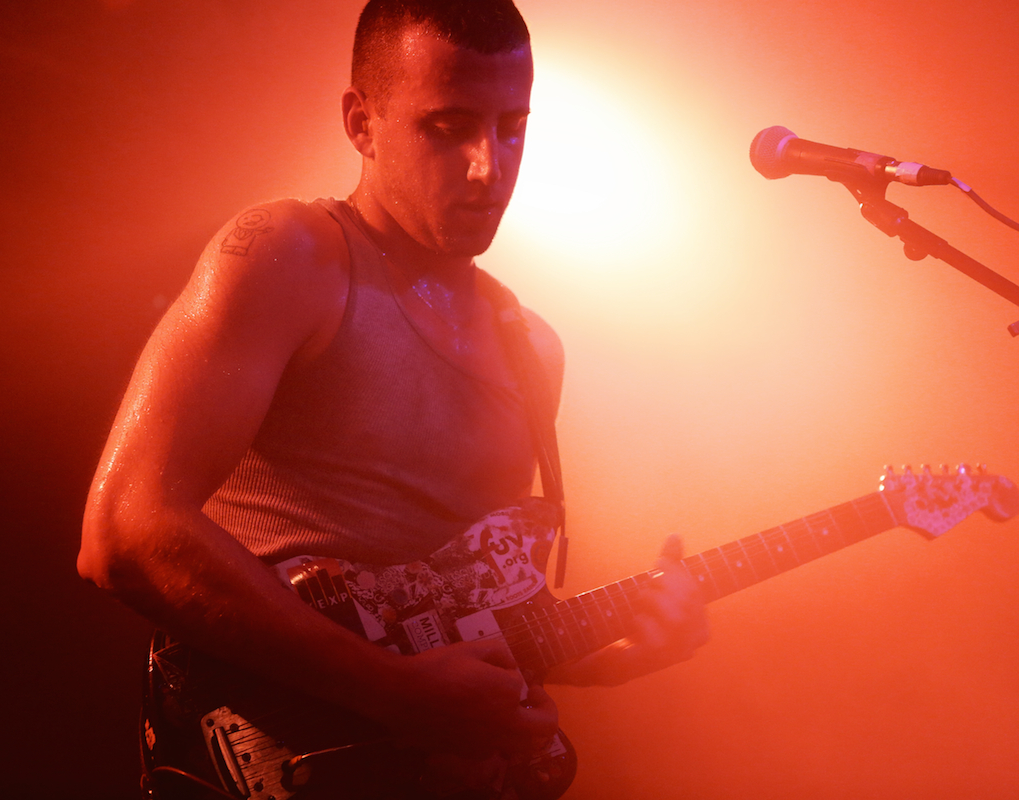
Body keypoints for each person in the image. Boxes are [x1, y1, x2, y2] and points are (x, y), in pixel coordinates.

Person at [78, 0, 709, 792]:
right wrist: (394, 694)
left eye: (512, 126)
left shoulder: (531, 346)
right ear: (361, 121)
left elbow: (464, 614)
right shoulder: (294, 253)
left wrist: (619, 651)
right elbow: (125, 534)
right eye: (449, 127)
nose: (489, 166)